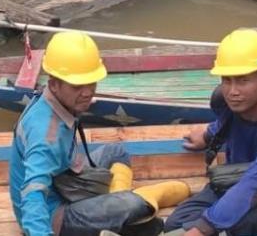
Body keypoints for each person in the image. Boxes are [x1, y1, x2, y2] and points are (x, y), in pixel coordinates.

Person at [10, 31, 185, 236]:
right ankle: (120, 207)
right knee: (133, 204)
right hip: (54, 214)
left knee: (115, 151)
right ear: (54, 84)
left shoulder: (52, 100)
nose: (87, 92)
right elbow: (33, 194)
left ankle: (112, 206)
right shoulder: (46, 135)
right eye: (77, 86)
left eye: (91, 83)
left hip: (65, 178)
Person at [165, 29, 257, 236]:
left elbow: (255, 185)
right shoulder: (224, 100)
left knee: (230, 229)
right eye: (227, 80)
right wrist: (207, 136)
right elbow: (224, 123)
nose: (233, 91)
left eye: (243, 81)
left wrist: (201, 230)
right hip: (232, 179)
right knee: (175, 223)